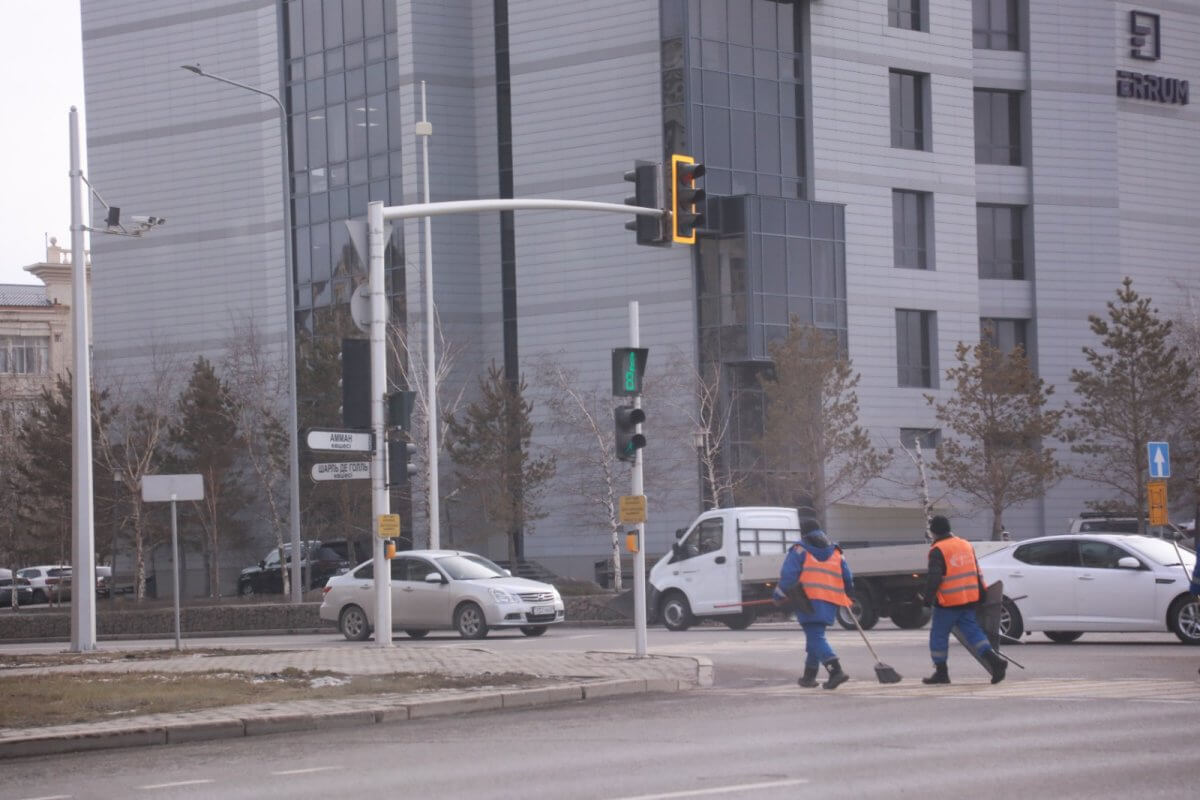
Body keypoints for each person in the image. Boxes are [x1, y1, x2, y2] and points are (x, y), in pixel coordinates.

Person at [922, 515, 1007, 685]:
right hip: (969, 599)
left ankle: (941, 672)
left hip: (948, 603)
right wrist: (982, 593)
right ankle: (995, 661)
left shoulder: (938, 550)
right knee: (973, 634)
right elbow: (976, 571)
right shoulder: (965, 544)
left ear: (934, 532)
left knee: (938, 636)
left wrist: (927, 598)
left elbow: (935, 578)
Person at [773, 518, 854, 690]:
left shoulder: (800, 549)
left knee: (815, 637)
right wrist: (848, 592)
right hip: (830, 599)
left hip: (808, 599)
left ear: (803, 532)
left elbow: (788, 575)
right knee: (815, 635)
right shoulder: (836, 550)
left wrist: (778, 595)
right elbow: (847, 576)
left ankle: (835, 671)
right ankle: (809, 676)